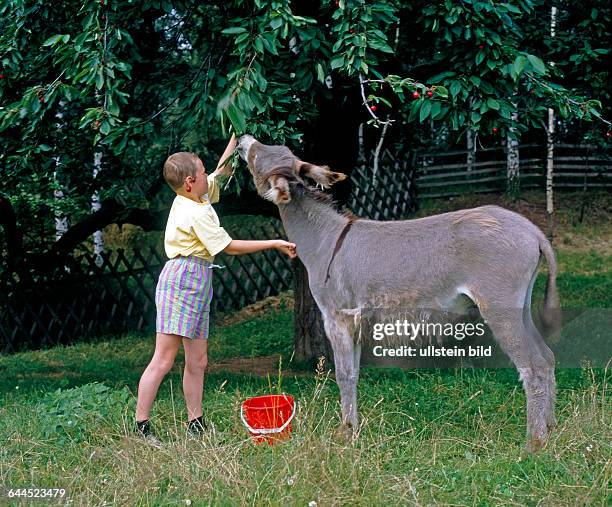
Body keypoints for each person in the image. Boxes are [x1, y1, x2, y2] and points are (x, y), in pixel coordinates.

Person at [135, 133, 297, 445]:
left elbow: (222, 171)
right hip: (181, 279)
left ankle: (195, 423)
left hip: (198, 278)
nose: (209, 175)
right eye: (202, 172)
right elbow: (230, 247)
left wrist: (237, 136)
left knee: (198, 361)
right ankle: (141, 427)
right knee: (164, 358)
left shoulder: (196, 194)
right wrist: (275, 242)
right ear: (189, 182)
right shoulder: (192, 211)